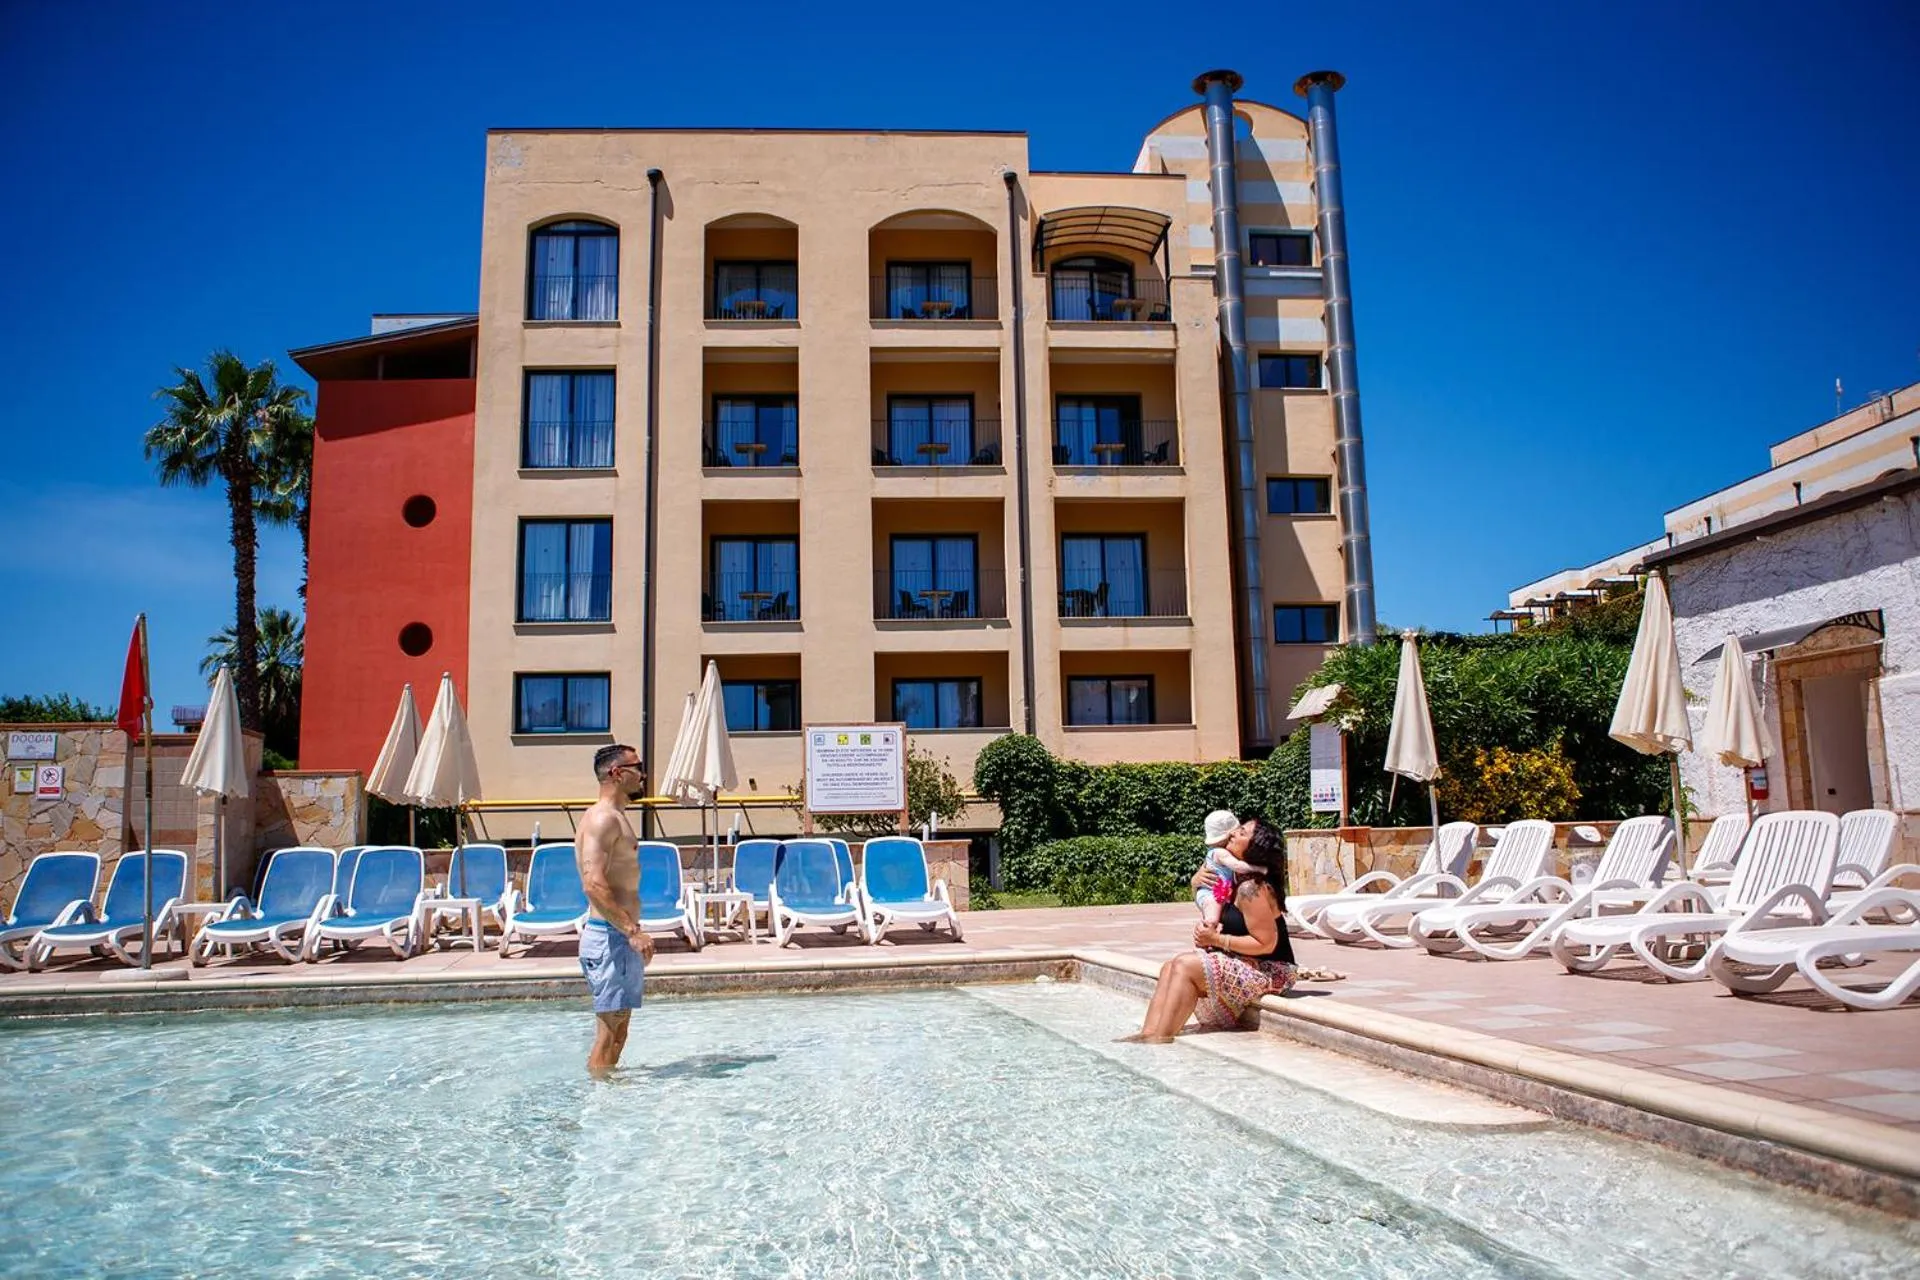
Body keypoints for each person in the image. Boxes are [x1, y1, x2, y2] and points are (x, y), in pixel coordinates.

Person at [1133, 818, 1297, 1043]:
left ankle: (1161, 1038)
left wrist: (1217, 939)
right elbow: (1212, 906)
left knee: (1184, 964)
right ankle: (1148, 1034)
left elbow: (1265, 943)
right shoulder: (1233, 879)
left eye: (1241, 832)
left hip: (1273, 970)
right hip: (1246, 961)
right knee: (1169, 967)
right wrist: (1197, 892)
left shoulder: (1253, 888)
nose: (1233, 833)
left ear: (1255, 847)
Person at [575, 742, 655, 1076]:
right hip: (611, 939)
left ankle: (608, 1094)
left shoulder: (616, 817)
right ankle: (598, 1107)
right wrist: (632, 932)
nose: (644, 775)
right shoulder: (603, 818)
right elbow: (593, 884)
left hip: (617, 939)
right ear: (617, 773)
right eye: (638, 767)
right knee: (609, 1034)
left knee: (620, 1029)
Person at [1194, 808, 1261, 930]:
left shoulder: (1217, 852)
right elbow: (1238, 866)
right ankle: (1204, 939)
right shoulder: (1220, 853)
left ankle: (1208, 938)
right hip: (1211, 895)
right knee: (1211, 920)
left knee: (1213, 918)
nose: (1236, 835)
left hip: (1217, 896)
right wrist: (1259, 869)